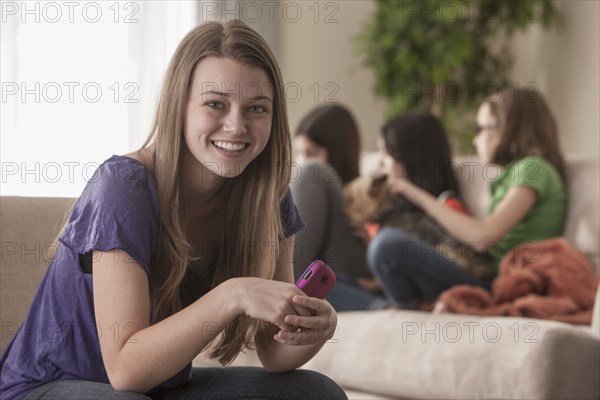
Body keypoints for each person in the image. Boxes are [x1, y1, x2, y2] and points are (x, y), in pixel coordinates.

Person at [0, 20, 346, 400]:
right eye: (215, 103)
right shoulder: (124, 186)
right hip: (47, 386)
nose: (236, 126)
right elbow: (126, 370)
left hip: (158, 388)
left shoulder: (267, 197)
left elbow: (274, 353)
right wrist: (233, 295)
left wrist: (317, 328)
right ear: (178, 106)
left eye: (256, 108)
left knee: (314, 393)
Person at [368, 89, 567, 308]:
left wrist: (413, 192)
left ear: (508, 129)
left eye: (480, 129)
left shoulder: (533, 168)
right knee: (345, 277)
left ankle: (408, 307)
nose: (475, 140)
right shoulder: (514, 174)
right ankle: (396, 305)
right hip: (489, 276)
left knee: (386, 246)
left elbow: (483, 238)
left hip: (495, 284)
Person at [291, 104, 390, 311]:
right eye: (299, 152)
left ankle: (285, 291)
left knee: (312, 171)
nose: (302, 161)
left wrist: (371, 241)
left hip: (357, 281)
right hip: (323, 280)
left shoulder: (374, 192)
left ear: (339, 152)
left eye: (312, 152)